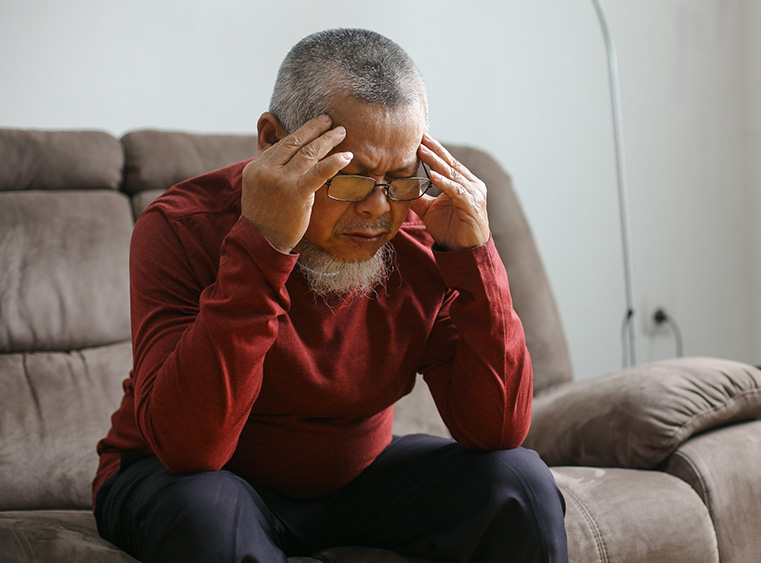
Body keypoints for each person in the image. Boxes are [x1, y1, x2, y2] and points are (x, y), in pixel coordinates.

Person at [92, 28, 568, 563]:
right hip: (189, 476)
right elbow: (189, 449)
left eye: (400, 177)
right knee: (206, 511)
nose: (378, 209)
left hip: (355, 482)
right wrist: (264, 246)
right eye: (350, 175)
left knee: (520, 482)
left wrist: (476, 261)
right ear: (273, 140)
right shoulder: (182, 227)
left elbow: (496, 431)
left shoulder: (421, 236)